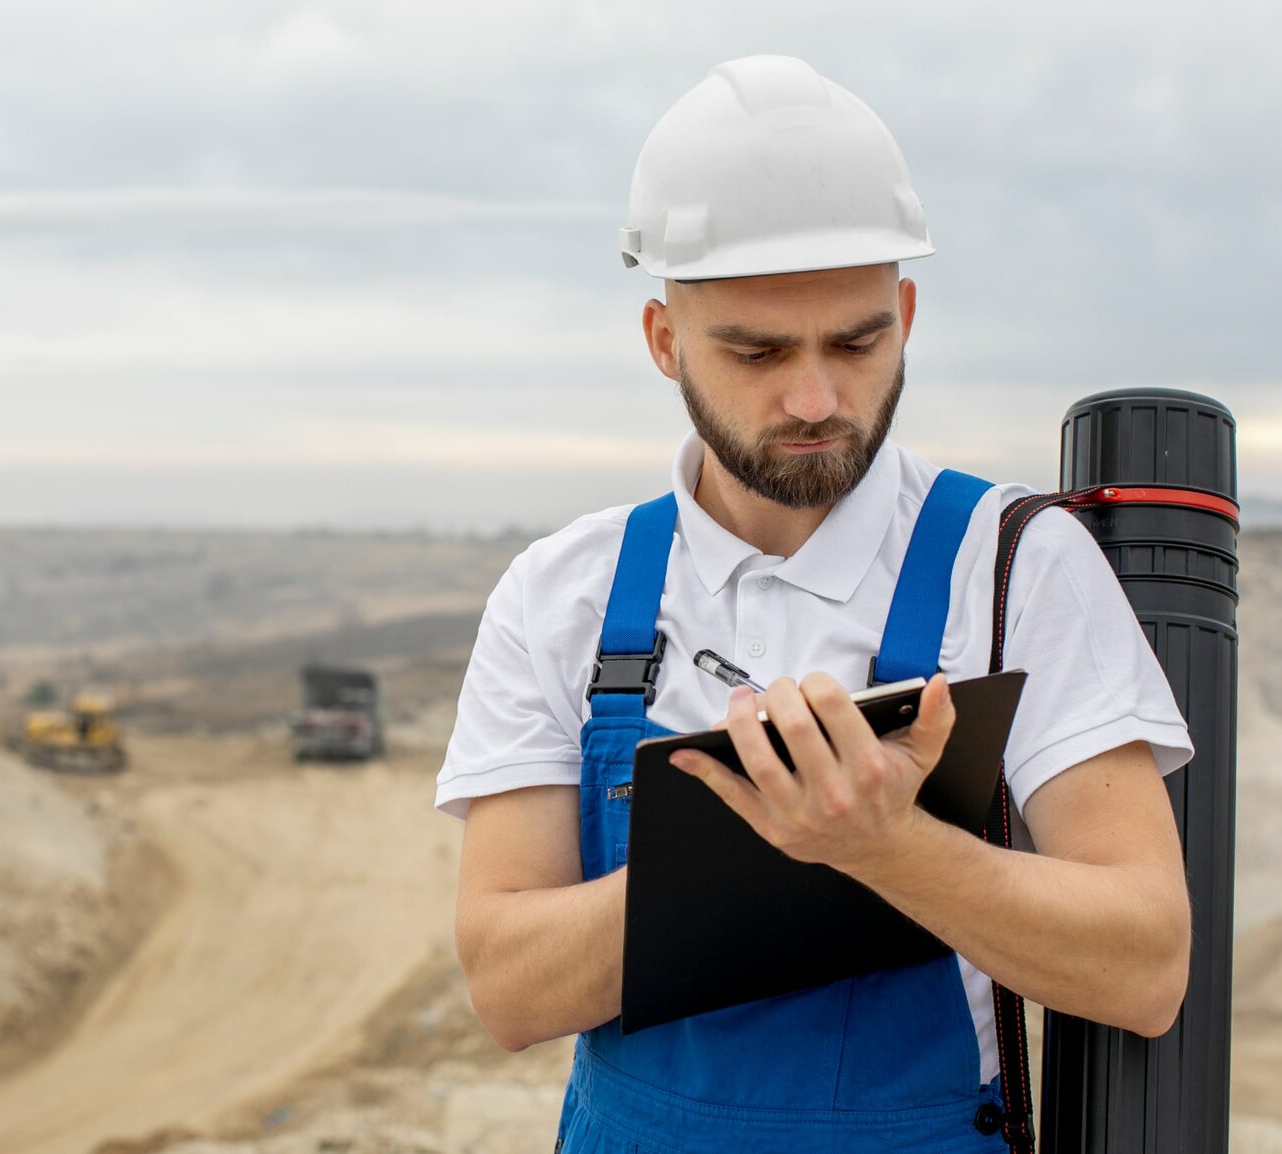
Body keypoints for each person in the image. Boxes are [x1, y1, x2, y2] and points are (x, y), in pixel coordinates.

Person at [435, 55, 1194, 1153]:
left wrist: (887, 845)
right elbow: (508, 985)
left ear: (910, 313)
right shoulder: (564, 594)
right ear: (664, 342)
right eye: (756, 351)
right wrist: (762, 845)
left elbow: (1145, 962)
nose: (815, 399)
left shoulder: (1019, 563)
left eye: (857, 340)